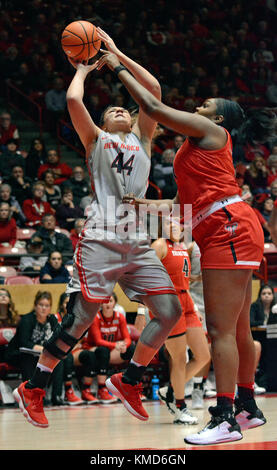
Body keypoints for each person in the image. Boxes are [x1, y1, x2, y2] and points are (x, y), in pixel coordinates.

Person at [102, 48, 276, 444]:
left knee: (220, 331)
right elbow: (183, 205)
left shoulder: (214, 133)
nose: (197, 106)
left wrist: (113, 63)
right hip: (225, 224)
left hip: (228, 227)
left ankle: (226, 417)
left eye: (204, 105)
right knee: (237, 328)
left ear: (216, 118)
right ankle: (247, 407)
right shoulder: (194, 149)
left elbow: (150, 103)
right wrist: (141, 205)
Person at [13, 28, 182, 429]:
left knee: (170, 311)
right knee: (79, 320)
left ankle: (129, 380)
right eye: (114, 110)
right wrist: (84, 68)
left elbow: (153, 89)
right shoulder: (97, 141)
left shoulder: (143, 136)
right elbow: (74, 99)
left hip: (138, 242)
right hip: (102, 238)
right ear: (104, 121)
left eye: (127, 109)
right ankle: (33, 388)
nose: (123, 111)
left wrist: (117, 55)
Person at [150, 217, 210, 424]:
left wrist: (192, 304)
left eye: (177, 223)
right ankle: (179, 406)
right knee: (179, 359)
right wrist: (143, 310)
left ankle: (170, 391)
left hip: (186, 301)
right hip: (169, 303)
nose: (174, 226)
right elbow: (143, 276)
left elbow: (183, 281)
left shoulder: (182, 246)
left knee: (203, 356)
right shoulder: (159, 245)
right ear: (161, 228)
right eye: (169, 224)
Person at [6, 291, 69, 406]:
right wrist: (43, 349)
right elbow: (23, 342)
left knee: (58, 360)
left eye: (47, 306)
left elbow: (58, 339)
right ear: (35, 306)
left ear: (50, 308)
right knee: (28, 358)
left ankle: (56, 396)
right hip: (18, 353)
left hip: (40, 354)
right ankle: (31, 395)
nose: (44, 308)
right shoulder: (27, 319)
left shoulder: (52, 320)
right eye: (41, 305)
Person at [78, 294, 135, 404]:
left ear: (115, 303)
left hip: (109, 350)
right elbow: (98, 341)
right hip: (92, 349)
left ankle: (130, 385)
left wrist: (124, 345)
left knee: (131, 348)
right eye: (105, 301)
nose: (107, 304)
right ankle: (101, 389)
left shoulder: (119, 316)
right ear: (100, 304)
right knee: (103, 350)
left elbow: (127, 338)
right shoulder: (96, 317)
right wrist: (116, 345)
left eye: (110, 301)